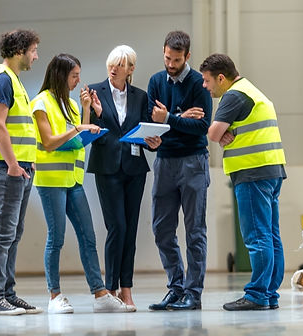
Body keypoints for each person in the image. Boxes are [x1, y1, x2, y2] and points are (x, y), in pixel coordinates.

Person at [30, 53, 130, 314]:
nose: (78, 81)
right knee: (57, 238)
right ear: (61, 75)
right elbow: (50, 142)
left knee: (88, 236)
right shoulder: (40, 103)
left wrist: (86, 112)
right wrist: (79, 130)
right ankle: (55, 295)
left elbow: (78, 135)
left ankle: (100, 294)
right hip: (51, 182)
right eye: (74, 76)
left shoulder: (71, 105)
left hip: (73, 180)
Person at [200, 53, 288, 311]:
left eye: (207, 81)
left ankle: (257, 295)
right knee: (271, 235)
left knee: (257, 236)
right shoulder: (252, 90)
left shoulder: (234, 95)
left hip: (252, 173)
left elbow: (213, 133)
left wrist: (219, 132)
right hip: (272, 170)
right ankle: (270, 294)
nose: (206, 87)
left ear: (221, 78)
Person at [84, 45, 161, 311]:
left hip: (134, 167)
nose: (114, 68)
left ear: (131, 69)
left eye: (120, 64)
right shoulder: (94, 91)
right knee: (116, 226)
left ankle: (127, 289)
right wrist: (98, 112)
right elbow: (90, 128)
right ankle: (111, 288)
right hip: (107, 167)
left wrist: (155, 141)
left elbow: (145, 132)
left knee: (130, 230)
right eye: (111, 64)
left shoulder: (141, 96)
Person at [0, 29, 42, 316]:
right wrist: (14, 164)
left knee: (13, 233)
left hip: (19, 169)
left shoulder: (14, 81)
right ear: (20, 51)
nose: (36, 56)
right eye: (34, 50)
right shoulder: (3, 80)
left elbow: (20, 128)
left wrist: (26, 162)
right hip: (6, 169)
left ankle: (8, 294)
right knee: (3, 233)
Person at [145, 31, 212, 311]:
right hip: (164, 161)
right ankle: (176, 287)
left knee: (194, 230)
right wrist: (156, 135)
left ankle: (193, 293)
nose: (170, 64)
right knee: (161, 229)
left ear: (187, 56)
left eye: (176, 60)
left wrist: (169, 118)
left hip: (193, 161)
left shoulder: (199, 83)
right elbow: (152, 120)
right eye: (167, 58)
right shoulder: (156, 82)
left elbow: (203, 126)